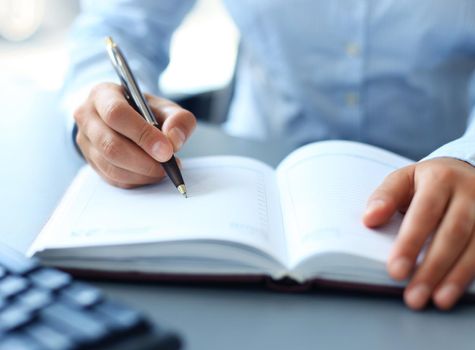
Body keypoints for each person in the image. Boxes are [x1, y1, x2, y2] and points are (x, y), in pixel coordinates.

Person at [62, 0, 475, 311]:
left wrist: (469, 158)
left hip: (443, 177)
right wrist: (101, 105)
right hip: (257, 169)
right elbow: (119, 24)